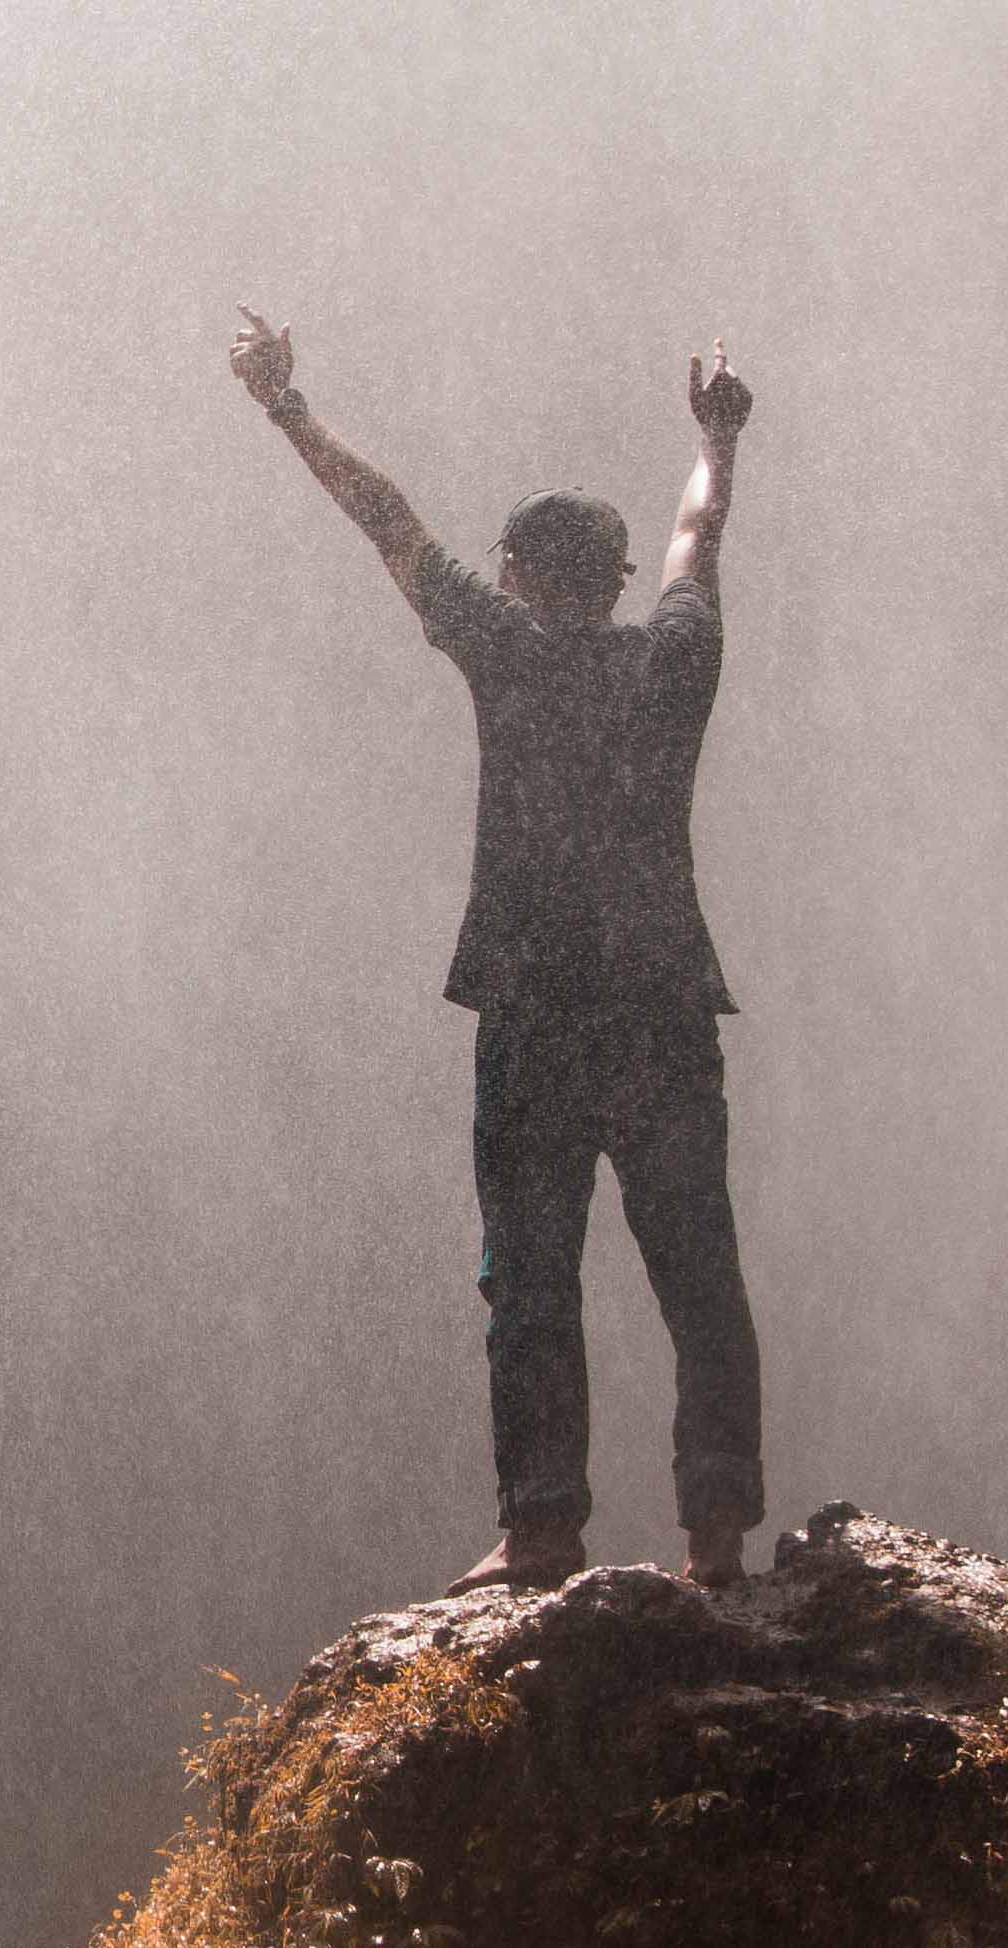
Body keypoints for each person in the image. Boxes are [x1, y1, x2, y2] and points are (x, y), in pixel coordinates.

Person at [229, 305, 765, 1591]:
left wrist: (288, 408)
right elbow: (699, 533)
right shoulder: (675, 661)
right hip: (659, 1007)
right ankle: (717, 1539)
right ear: (615, 583)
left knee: (530, 1274)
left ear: (519, 574)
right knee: (698, 1267)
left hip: (538, 1011)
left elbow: (390, 520)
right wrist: (718, 438)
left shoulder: (510, 654)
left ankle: (540, 1529)